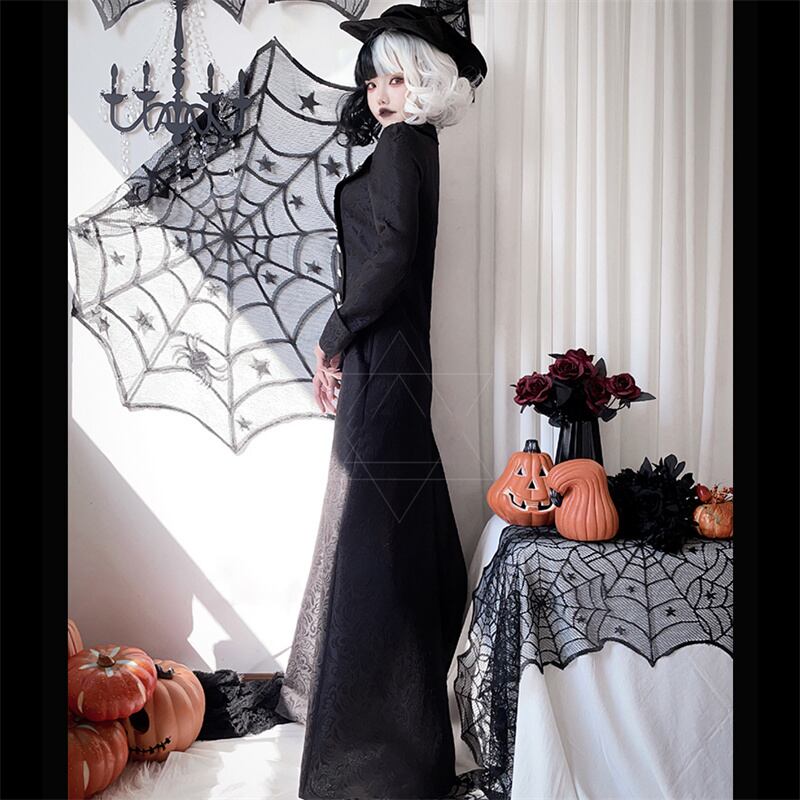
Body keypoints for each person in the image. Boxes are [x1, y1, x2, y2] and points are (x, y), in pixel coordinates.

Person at [275, 5, 487, 798]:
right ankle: (389, 724)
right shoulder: (414, 147)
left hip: (385, 356)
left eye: (397, 79)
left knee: (372, 539)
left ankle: (374, 750)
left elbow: (390, 254)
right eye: (373, 82)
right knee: (386, 530)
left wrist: (333, 338)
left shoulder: (403, 146)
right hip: (391, 356)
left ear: (425, 81)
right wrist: (345, 347)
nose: (382, 95)